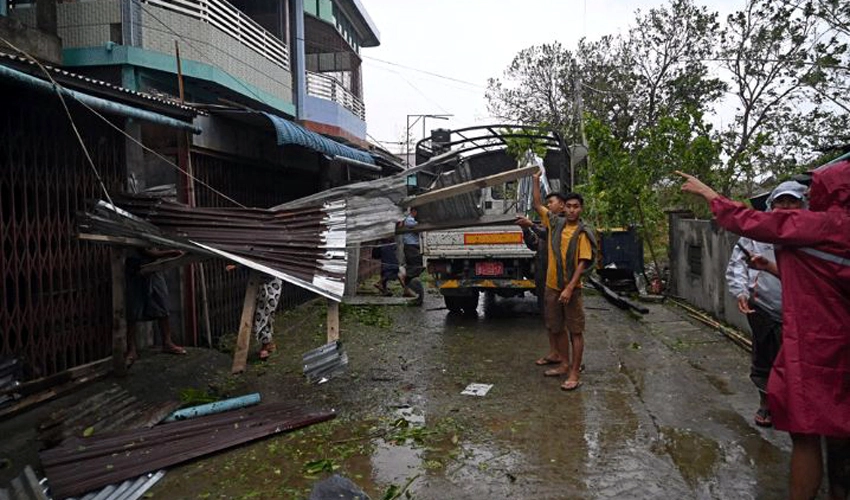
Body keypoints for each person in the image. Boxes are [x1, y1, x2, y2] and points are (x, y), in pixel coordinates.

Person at [678, 163, 850, 500]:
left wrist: (709, 193)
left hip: (814, 344)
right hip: (837, 339)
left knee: (806, 432)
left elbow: (747, 220)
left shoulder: (819, 224)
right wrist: (770, 268)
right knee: (841, 431)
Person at [724, 181, 806, 427]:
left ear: (804, 205)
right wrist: (740, 292)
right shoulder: (757, 233)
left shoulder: (812, 234)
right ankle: (766, 405)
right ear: (772, 205)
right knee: (764, 361)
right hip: (764, 310)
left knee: (801, 364)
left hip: (803, 313)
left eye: (793, 202)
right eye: (781, 201)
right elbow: (738, 264)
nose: (787, 207)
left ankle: (800, 409)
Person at [531, 169, 595, 391]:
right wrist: (535, 181)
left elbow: (583, 262)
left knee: (575, 331)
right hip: (552, 286)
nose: (571, 210)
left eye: (576, 206)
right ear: (563, 208)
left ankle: (575, 373)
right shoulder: (555, 224)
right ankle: (564, 364)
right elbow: (538, 205)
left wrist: (569, 288)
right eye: (568, 206)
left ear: (581, 209)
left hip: (571, 290)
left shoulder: (582, 232)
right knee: (555, 327)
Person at [125, 248, 186, 365]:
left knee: (162, 306)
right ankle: (131, 349)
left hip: (154, 267)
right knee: (133, 310)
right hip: (136, 268)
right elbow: (147, 251)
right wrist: (171, 252)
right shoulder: (136, 231)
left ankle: (167, 343)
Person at [254, 277, 281, 360]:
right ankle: (267, 343)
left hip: (272, 281)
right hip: (265, 282)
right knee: (264, 314)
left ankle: (266, 345)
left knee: (266, 313)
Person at [399, 207, 423, 298]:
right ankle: (404, 273)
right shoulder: (409, 219)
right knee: (418, 264)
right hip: (411, 246)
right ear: (414, 211)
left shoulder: (410, 219)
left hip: (412, 246)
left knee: (415, 265)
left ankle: (407, 288)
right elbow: (418, 226)